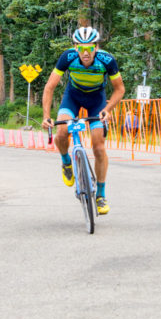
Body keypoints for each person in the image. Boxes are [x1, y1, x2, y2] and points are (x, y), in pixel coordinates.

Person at [42, 26, 125, 215]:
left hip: (97, 100)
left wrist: (107, 109)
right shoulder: (67, 57)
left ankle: (101, 195)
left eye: (89, 48)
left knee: (98, 146)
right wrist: (46, 116)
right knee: (62, 132)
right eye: (81, 48)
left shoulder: (107, 60)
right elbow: (49, 87)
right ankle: (66, 162)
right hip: (73, 97)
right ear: (75, 47)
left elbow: (119, 89)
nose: (85, 53)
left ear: (96, 47)